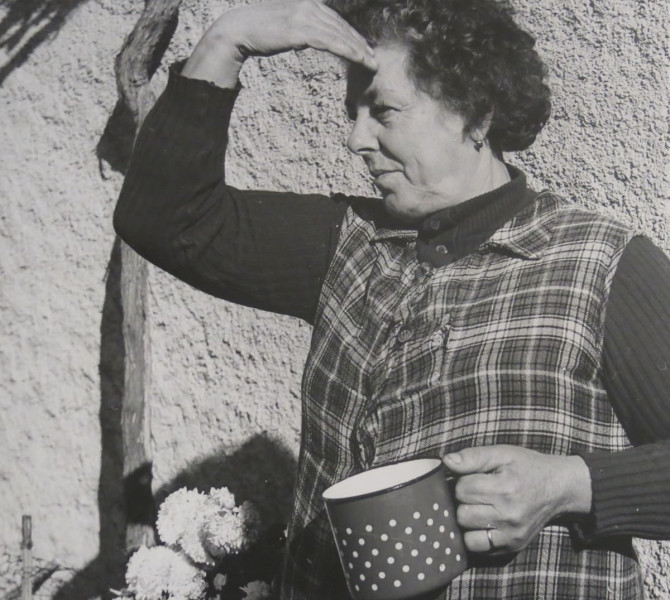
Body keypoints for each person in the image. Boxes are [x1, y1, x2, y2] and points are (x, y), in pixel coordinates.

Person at [114, 0, 670, 597]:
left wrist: (572, 484)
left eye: (383, 111)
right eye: (353, 114)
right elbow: (166, 220)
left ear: (475, 114)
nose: (356, 139)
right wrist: (227, 41)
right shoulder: (347, 245)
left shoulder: (600, 264)